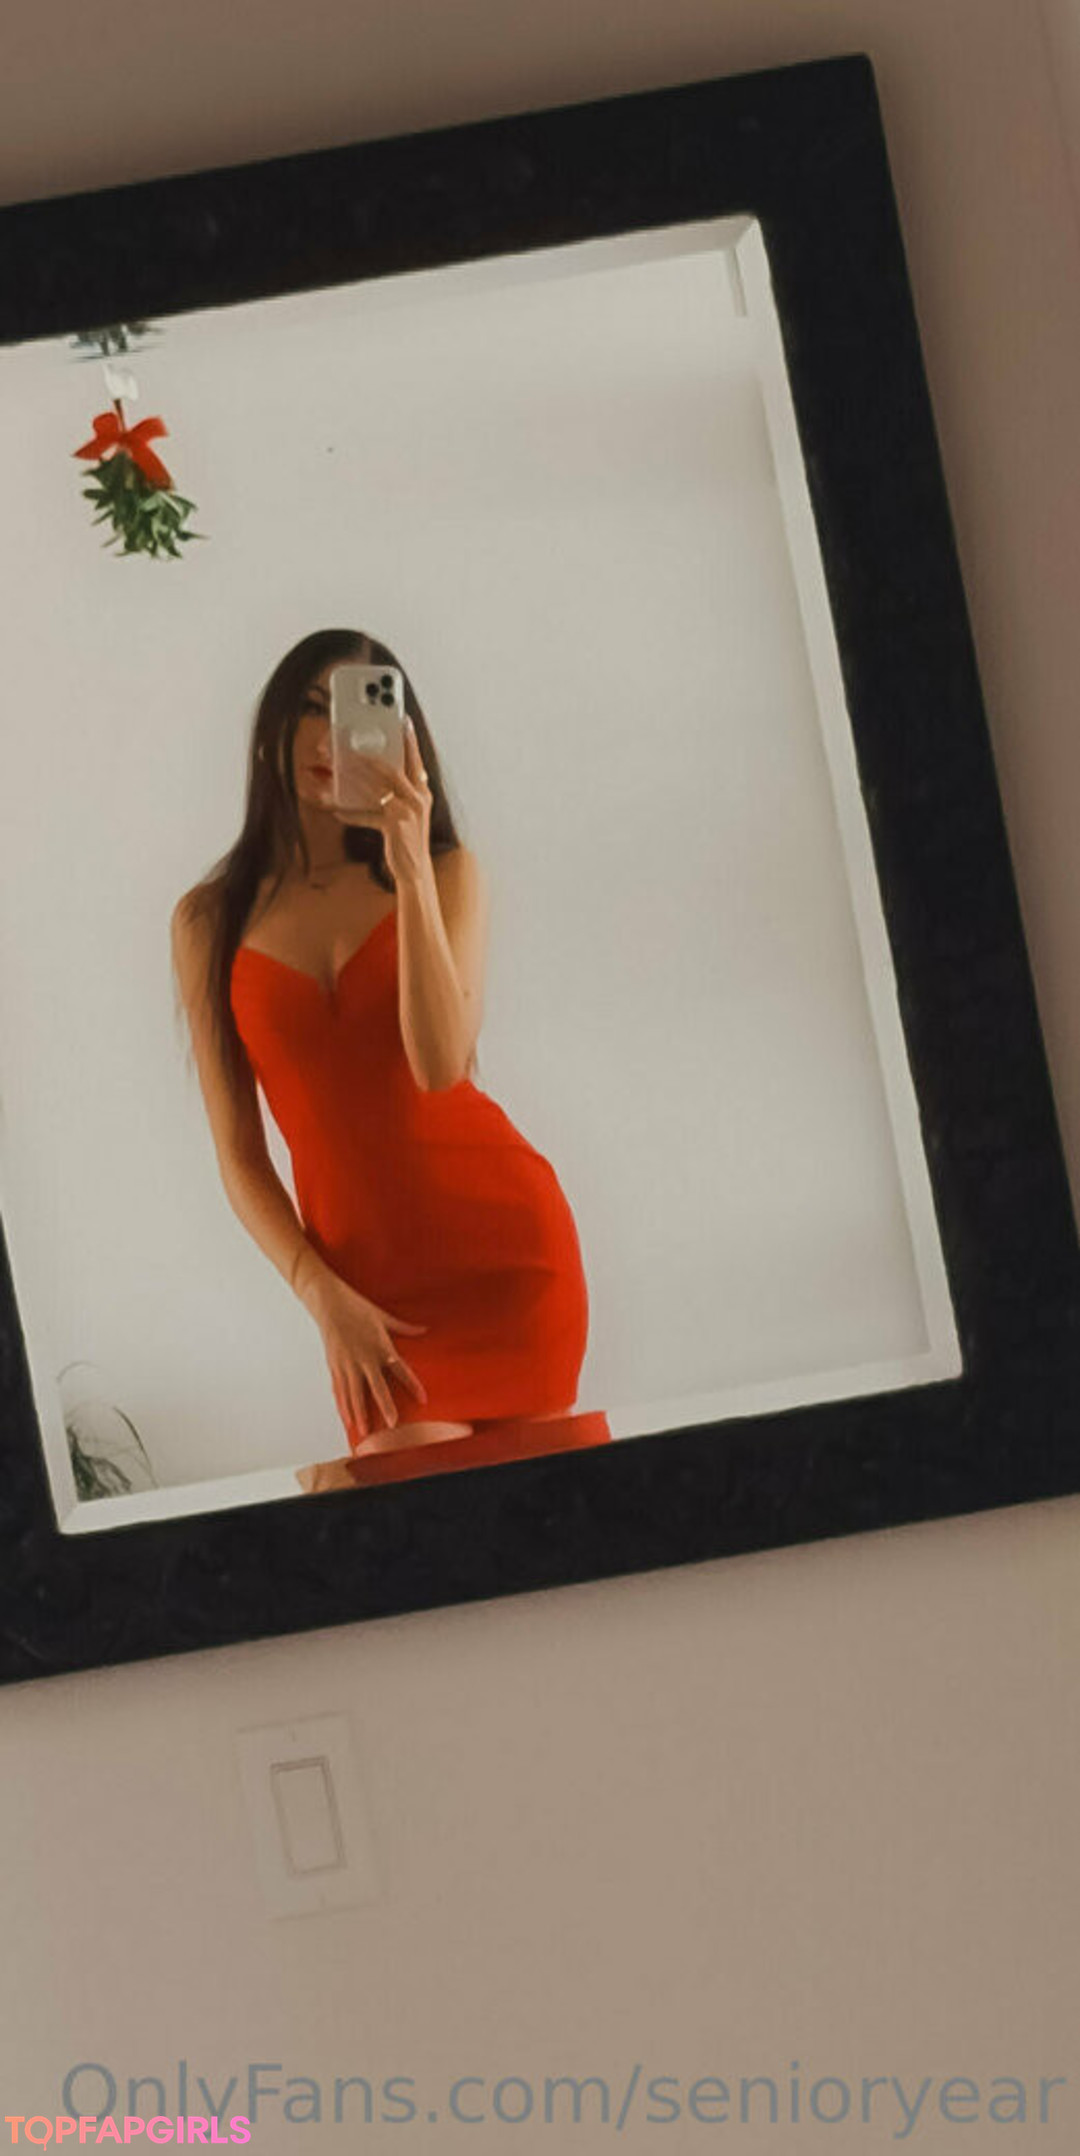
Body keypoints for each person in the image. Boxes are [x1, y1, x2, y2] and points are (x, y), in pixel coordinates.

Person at [171, 627, 611, 1485]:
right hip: (370, 1294)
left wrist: (408, 863)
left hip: (510, 1258)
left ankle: (335, 1489)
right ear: (271, 729)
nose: (327, 739)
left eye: (352, 717)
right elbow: (240, 1155)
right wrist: (320, 1296)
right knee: (414, 1522)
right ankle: (338, 1489)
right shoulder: (209, 920)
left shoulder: (448, 873)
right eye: (311, 709)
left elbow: (441, 1064)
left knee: (539, 1526)